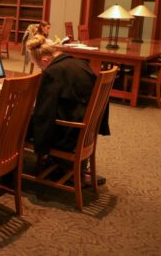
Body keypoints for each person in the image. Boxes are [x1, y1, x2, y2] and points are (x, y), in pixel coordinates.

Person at [26, 34, 110, 169]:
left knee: (19, 124)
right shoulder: (80, 63)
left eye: (40, 66)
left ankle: (10, 169)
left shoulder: (53, 72)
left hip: (69, 134)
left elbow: (44, 112)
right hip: (87, 126)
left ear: (45, 60)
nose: (41, 69)